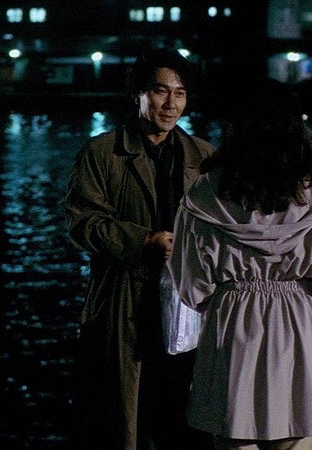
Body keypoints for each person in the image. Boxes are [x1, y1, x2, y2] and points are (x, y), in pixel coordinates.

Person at [166, 78, 312, 450]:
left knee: (233, 432)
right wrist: (303, 296)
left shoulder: (205, 195)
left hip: (232, 326)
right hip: (300, 323)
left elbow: (192, 287)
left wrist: (228, 296)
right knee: (297, 428)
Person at [65, 48, 216, 449]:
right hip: (125, 298)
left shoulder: (204, 156)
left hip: (188, 299)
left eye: (180, 93)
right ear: (139, 95)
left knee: (184, 414)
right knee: (125, 416)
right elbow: (83, 222)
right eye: (161, 91)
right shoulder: (102, 153)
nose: (171, 104)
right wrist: (144, 240)